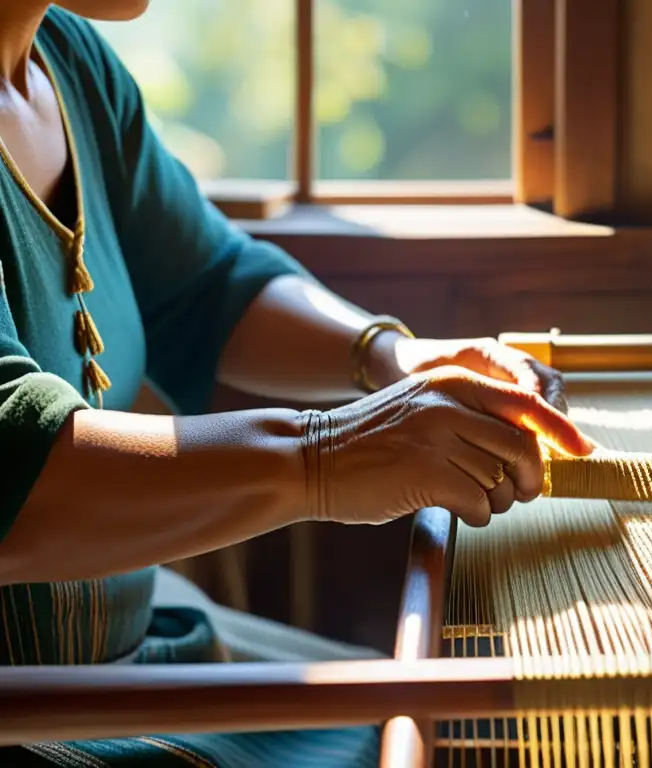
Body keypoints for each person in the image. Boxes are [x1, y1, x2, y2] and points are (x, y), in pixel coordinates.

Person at [0, 1, 595, 765]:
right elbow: (19, 477)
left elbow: (208, 284)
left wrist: (394, 357)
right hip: (33, 714)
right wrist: (325, 457)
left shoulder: (66, 59)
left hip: (140, 644)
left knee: (457, 722)